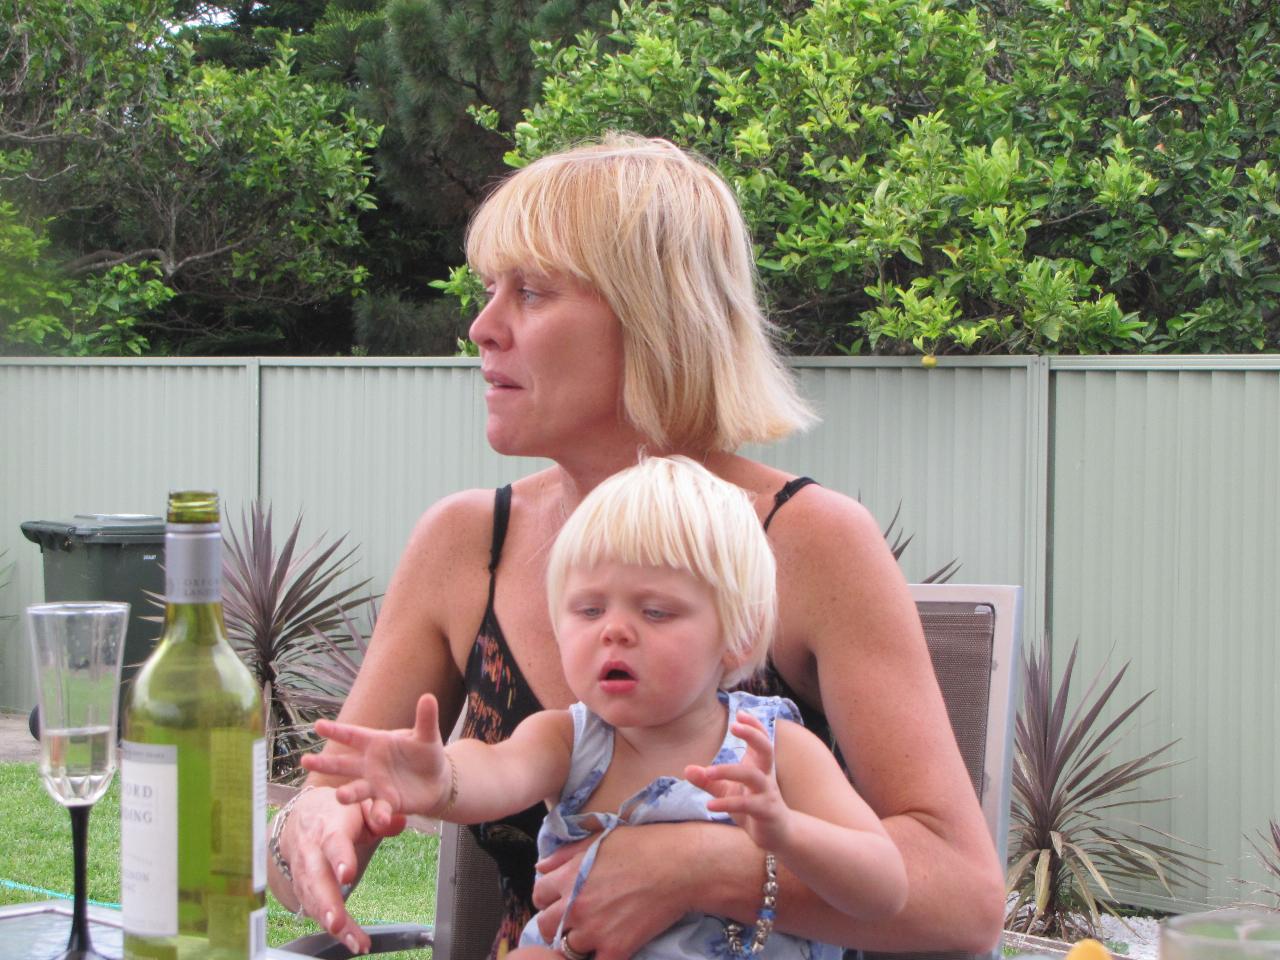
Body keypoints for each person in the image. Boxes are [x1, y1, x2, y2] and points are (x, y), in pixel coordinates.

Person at [267, 133, 1005, 960]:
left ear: (656, 318)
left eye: (532, 292)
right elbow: (310, 845)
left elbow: (966, 903)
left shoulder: (805, 542)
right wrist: (311, 826)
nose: (482, 326)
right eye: (488, 290)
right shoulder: (465, 543)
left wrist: (701, 862)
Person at [301, 456, 909, 959]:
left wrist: (787, 833)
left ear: (739, 637)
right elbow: (491, 769)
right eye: (589, 610)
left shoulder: (773, 750)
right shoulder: (567, 742)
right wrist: (440, 779)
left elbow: (885, 888)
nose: (614, 631)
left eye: (655, 611)